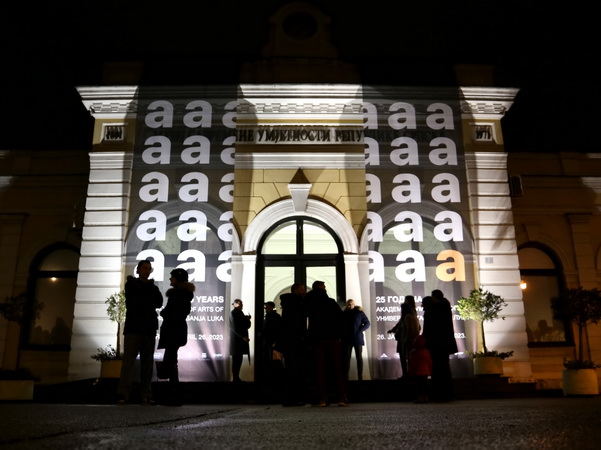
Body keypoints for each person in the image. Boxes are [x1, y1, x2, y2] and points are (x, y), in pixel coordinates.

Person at [117, 260, 164, 405]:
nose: (147, 271)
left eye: (149, 269)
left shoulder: (152, 287)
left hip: (148, 329)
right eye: (144, 268)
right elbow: (134, 303)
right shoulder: (131, 285)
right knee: (128, 363)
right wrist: (148, 300)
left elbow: (159, 302)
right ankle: (124, 394)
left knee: (147, 364)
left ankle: (146, 394)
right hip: (134, 328)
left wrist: (147, 300)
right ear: (138, 270)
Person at [305, 280, 347, 406]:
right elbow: (341, 318)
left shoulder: (309, 301)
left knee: (319, 369)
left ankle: (321, 398)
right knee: (337, 368)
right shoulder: (330, 302)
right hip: (333, 338)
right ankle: (341, 397)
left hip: (317, 338)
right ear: (322, 288)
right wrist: (340, 335)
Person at [156, 268, 194, 405]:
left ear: (177, 279)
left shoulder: (178, 294)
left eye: (172, 277)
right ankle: (174, 392)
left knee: (170, 360)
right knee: (171, 360)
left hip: (173, 331)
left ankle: (173, 393)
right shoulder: (184, 294)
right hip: (176, 332)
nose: (170, 279)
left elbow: (170, 312)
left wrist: (165, 313)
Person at [422, 290, 458, 402]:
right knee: (444, 368)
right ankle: (447, 392)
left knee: (437, 369)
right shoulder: (445, 307)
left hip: (436, 344)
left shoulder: (433, 310)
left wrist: (424, 341)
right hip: (445, 344)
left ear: (434, 297)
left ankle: (438, 393)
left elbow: (428, 329)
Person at [278, 283, 308, 406]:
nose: (304, 291)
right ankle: (291, 398)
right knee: (293, 369)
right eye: (302, 289)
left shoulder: (289, 304)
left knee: (292, 369)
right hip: (294, 341)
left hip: (290, 341)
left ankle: (290, 397)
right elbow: (294, 324)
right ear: (295, 290)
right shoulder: (295, 304)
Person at [387, 295, 418, 379]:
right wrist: (394, 330)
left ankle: (407, 375)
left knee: (406, 357)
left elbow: (408, 329)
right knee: (404, 357)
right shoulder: (409, 315)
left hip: (405, 340)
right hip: (404, 339)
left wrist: (405, 338)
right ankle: (407, 374)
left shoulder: (408, 316)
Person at [342, 299, 370, 381]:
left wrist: (360, 330)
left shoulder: (359, 313)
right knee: (346, 358)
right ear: (347, 305)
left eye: (351, 304)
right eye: (349, 304)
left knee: (359, 357)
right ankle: (345, 377)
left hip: (357, 338)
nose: (350, 306)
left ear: (354, 304)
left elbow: (367, 323)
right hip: (347, 339)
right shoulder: (344, 313)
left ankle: (360, 376)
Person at [229, 299, 251, 382]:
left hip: (240, 340)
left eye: (241, 303)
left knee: (239, 358)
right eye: (238, 304)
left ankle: (236, 377)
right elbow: (234, 327)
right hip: (236, 341)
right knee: (236, 359)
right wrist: (243, 336)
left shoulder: (240, 313)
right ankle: (235, 378)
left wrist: (247, 319)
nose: (240, 305)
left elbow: (246, 326)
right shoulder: (233, 313)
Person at [262, 301, 283, 382]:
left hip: (271, 341)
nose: (265, 308)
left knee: (271, 358)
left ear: (270, 307)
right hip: (271, 340)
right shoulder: (274, 316)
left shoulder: (272, 317)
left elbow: (273, 329)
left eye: (266, 306)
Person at [407, 334, 432, 403]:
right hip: (425, 372)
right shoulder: (426, 352)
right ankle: (425, 398)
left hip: (417, 372)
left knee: (419, 386)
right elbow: (429, 362)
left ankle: (420, 398)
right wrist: (430, 370)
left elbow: (412, 364)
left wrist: (410, 372)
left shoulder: (414, 353)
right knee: (425, 386)